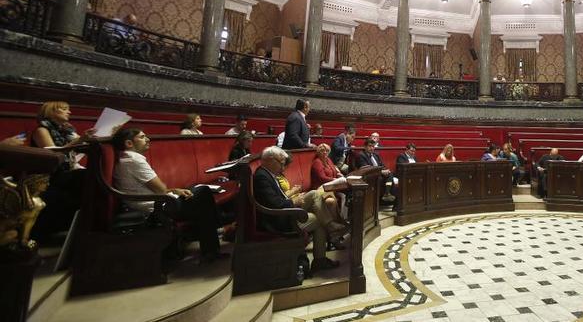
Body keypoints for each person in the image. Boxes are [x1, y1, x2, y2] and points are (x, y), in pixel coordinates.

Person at [112, 128, 225, 262]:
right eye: (142, 137)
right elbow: (160, 189)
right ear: (129, 143)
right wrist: (171, 190)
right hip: (155, 207)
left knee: (199, 194)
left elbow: (157, 189)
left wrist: (175, 190)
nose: (147, 139)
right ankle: (214, 240)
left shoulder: (126, 159)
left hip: (155, 201)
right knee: (203, 193)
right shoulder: (134, 160)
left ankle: (212, 242)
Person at [253, 147, 346, 272]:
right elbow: (274, 204)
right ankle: (320, 258)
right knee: (318, 220)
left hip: (285, 210)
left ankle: (329, 226)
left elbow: (279, 197)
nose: (283, 166)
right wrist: (293, 201)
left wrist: (293, 197)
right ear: (270, 160)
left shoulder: (267, 173)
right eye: (281, 162)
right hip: (278, 220)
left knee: (314, 194)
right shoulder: (262, 177)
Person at [30, 101, 96, 240]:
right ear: (51, 112)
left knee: (89, 176)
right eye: (64, 109)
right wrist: (79, 140)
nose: (69, 112)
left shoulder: (66, 130)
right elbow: (53, 154)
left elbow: (81, 144)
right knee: (82, 177)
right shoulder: (42, 130)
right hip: (48, 175)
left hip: (65, 172)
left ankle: (79, 226)